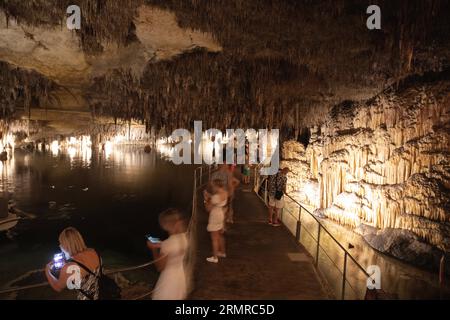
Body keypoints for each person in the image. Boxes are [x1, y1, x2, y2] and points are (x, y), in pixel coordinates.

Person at [45, 227, 100, 300]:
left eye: (61, 243)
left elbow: (58, 287)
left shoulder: (69, 267)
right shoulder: (94, 252)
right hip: (102, 293)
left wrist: (47, 271)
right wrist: (69, 261)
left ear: (65, 245)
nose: (60, 246)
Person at [147, 208, 189, 300]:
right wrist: (161, 244)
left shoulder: (167, 244)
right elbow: (174, 248)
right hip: (180, 276)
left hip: (169, 280)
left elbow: (160, 267)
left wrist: (153, 249)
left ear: (165, 225)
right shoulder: (185, 237)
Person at [204, 179, 228, 263]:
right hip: (221, 214)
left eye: (213, 186)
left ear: (217, 186)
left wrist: (206, 199)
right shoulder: (225, 193)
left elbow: (208, 208)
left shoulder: (216, 197)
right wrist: (210, 197)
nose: (212, 188)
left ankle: (215, 257)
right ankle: (222, 252)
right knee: (220, 235)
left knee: (214, 238)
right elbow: (217, 201)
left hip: (214, 215)